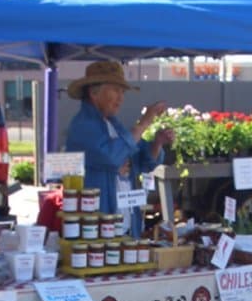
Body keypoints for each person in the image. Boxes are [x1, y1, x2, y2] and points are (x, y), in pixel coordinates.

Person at [64, 61, 174, 237]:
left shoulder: (114, 125)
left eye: (122, 92)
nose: (121, 98)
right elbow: (112, 157)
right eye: (116, 90)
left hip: (124, 226)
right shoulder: (82, 126)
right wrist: (144, 122)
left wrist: (157, 143)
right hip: (98, 228)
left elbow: (145, 161)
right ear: (94, 92)